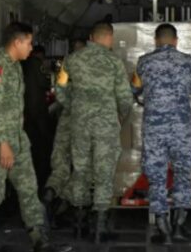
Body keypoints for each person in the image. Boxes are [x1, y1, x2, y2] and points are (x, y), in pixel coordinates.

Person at [0, 22, 70, 252]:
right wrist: (3, 144)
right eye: (29, 42)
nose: (31, 48)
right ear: (17, 42)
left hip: (18, 140)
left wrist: (16, 138)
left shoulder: (15, 66)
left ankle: (39, 239)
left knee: (28, 188)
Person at [55, 22, 133, 243]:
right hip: (106, 125)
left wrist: (74, 107)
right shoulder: (114, 62)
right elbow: (125, 98)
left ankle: (79, 225)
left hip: (79, 124)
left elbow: (59, 88)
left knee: (80, 170)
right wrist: (120, 117)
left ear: (91, 36)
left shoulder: (72, 59)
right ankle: (99, 227)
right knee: (103, 173)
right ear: (109, 37)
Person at [132, 24, 191, 244]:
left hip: (155, 129)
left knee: (157, 178)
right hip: (181, 128)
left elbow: (135, 89)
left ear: (155, 40)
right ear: (176, 40)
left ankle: (163, 229)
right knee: (183, 175)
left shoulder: (144, 62)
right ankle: (179, 226)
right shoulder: (188, 61)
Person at [43, 39, 87, 219]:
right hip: (85, 121)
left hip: (67, 119)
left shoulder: (66, 65)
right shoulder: (95, 67)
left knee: (60, 161)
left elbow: (58, 91)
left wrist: (69, 106)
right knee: (80, 165)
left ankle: (51, 190)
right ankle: (68, 201)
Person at [22, 46, 55, 190]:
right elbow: (45, 83)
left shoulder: (20, 63)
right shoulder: (36, 63)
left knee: (30, 146)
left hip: (26, 112)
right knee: (43, 145)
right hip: (38, 111)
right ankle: (42, 178)